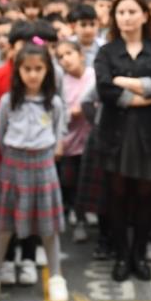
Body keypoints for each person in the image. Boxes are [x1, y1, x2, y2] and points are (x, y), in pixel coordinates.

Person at [0, 42, 69, 301]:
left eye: (38, 69)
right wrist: (14, 159)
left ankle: (56, 278)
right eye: (27, 69)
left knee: (49, 229)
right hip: (13, 166)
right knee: (4, 227)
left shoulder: (54, 103)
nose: (32, 74)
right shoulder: (8, 101)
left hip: (43, 166)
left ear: (47, 71)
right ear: (18, 71)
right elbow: (2, 134)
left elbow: (58, 133)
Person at [94, 0, 151, 282]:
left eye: (132, 11)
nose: (126, 17)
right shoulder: (106, 52)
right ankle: (122, 255)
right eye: (121, 12)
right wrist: (143, 95)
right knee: (117, 196)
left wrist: (125, 83)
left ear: (144, 15)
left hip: (149, 134)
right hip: (115, 134)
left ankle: (139, 255)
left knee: (145, 197)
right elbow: (104, 88)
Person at [56, 40, 94, 243]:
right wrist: (73, 113)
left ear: (80, 54)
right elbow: (59, 113)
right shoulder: (61, 82)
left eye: (69, 53)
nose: (65, 59)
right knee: (70, 180)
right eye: (60, 57)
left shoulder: (93, 76)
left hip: (91, 141)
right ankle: (74, 211)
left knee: (87, 182)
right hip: (70, 141)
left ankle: (83, 216)